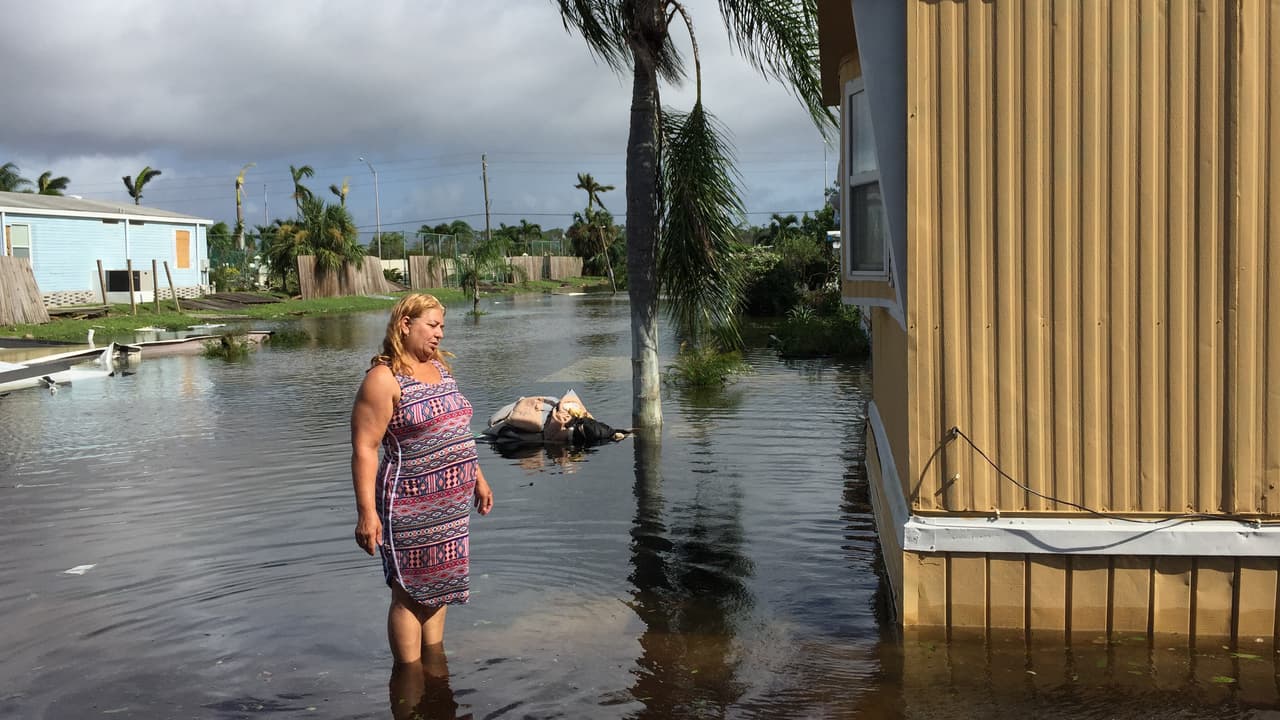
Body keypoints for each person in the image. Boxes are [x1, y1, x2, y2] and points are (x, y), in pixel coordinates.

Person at [350, 293, 494, 664]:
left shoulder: (440, 369)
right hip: (409, 504)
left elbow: (455, 427)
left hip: (450, 507)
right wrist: (367, 513)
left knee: (439, 585)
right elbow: (365, 448)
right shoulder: (383, 380)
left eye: (442, 326)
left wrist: (478, 478)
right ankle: (409, 679)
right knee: (409, 592)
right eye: (432, 325)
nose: (440, 334)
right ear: (405, 324)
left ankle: (435, 671)